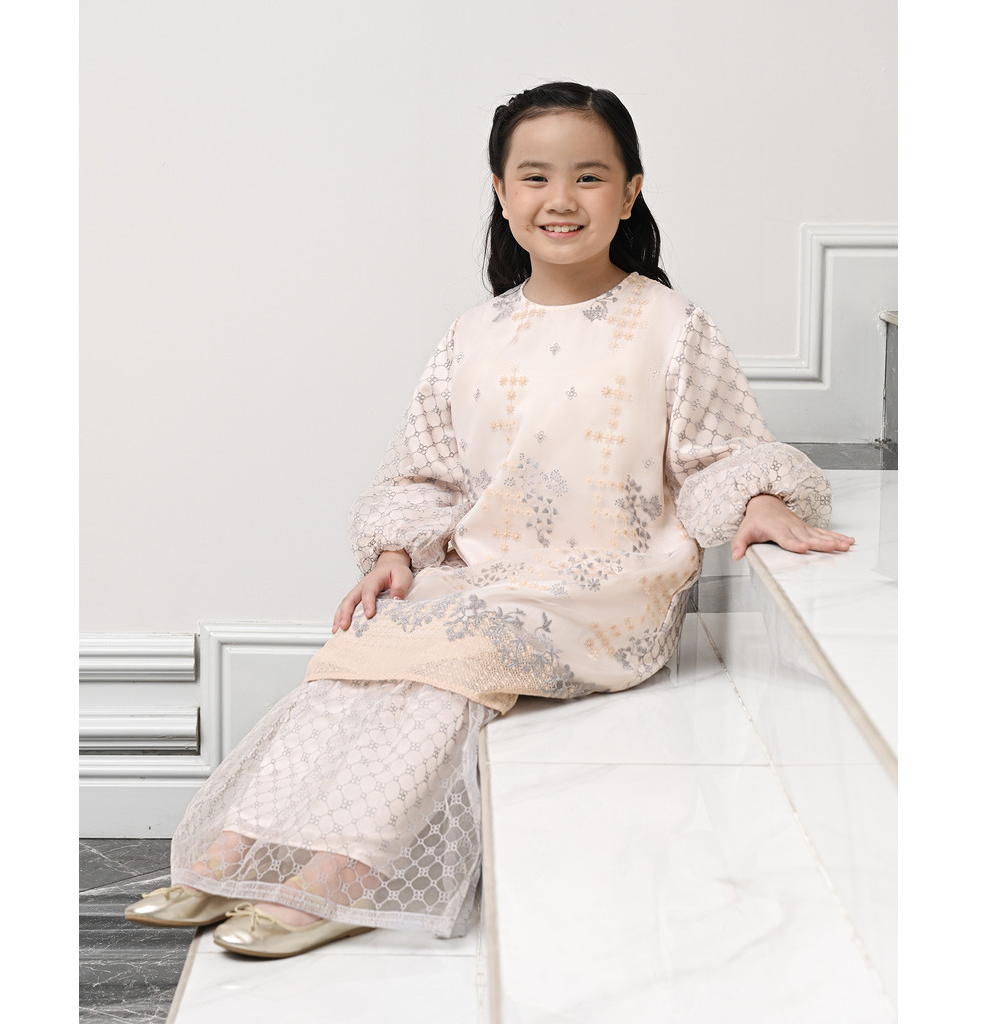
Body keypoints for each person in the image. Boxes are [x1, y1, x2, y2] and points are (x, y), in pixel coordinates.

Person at [124, 82, 854, 958]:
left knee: (456, 656)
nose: (561, 199)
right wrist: (397, 549)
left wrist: (759, 499)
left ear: (630, 192)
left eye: (589, 177)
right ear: (503, 194)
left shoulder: (670, 327)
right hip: (484, 574)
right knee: (370, 645)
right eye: (535, 177)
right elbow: (424, 471)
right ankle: (239, 853)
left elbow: (719, 452)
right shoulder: (472, 334)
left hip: (608, 596)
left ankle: (348, 874)